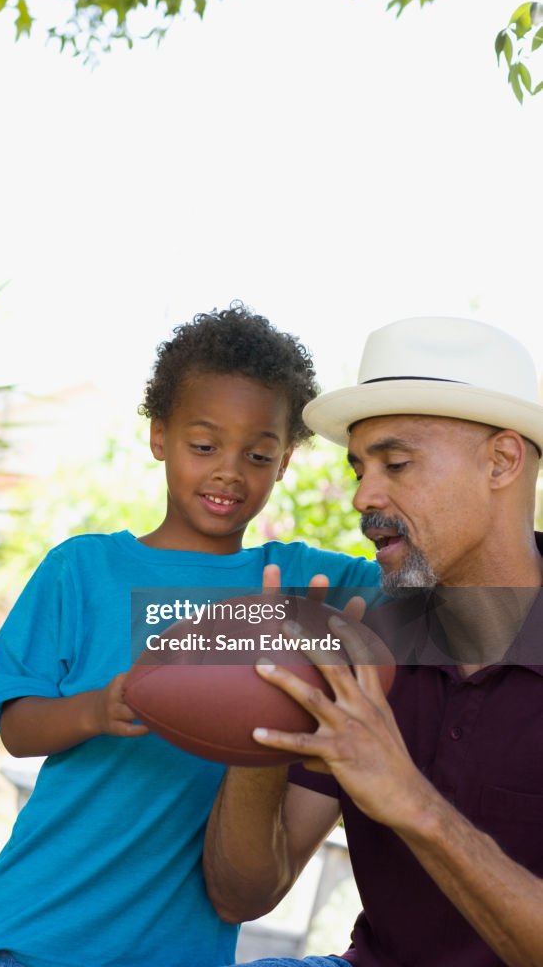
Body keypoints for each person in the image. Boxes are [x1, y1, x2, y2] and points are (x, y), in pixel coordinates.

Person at [0, 302, 380, 967]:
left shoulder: (302, 580)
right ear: (159, 436)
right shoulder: (84, 570)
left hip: (177, 948)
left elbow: (455, 599)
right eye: (204, 445)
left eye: (259, 454)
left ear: (286, 460)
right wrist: (99, 708)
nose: (229, 472)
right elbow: (17, 723)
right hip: (39, 933)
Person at [204, 315, 543, 967]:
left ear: (501, 461)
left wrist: (413, 802)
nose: (364, 495)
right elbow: (242, 895)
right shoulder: (367, 649)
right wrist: (263, 715)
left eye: (397, 463)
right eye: (360, 468)